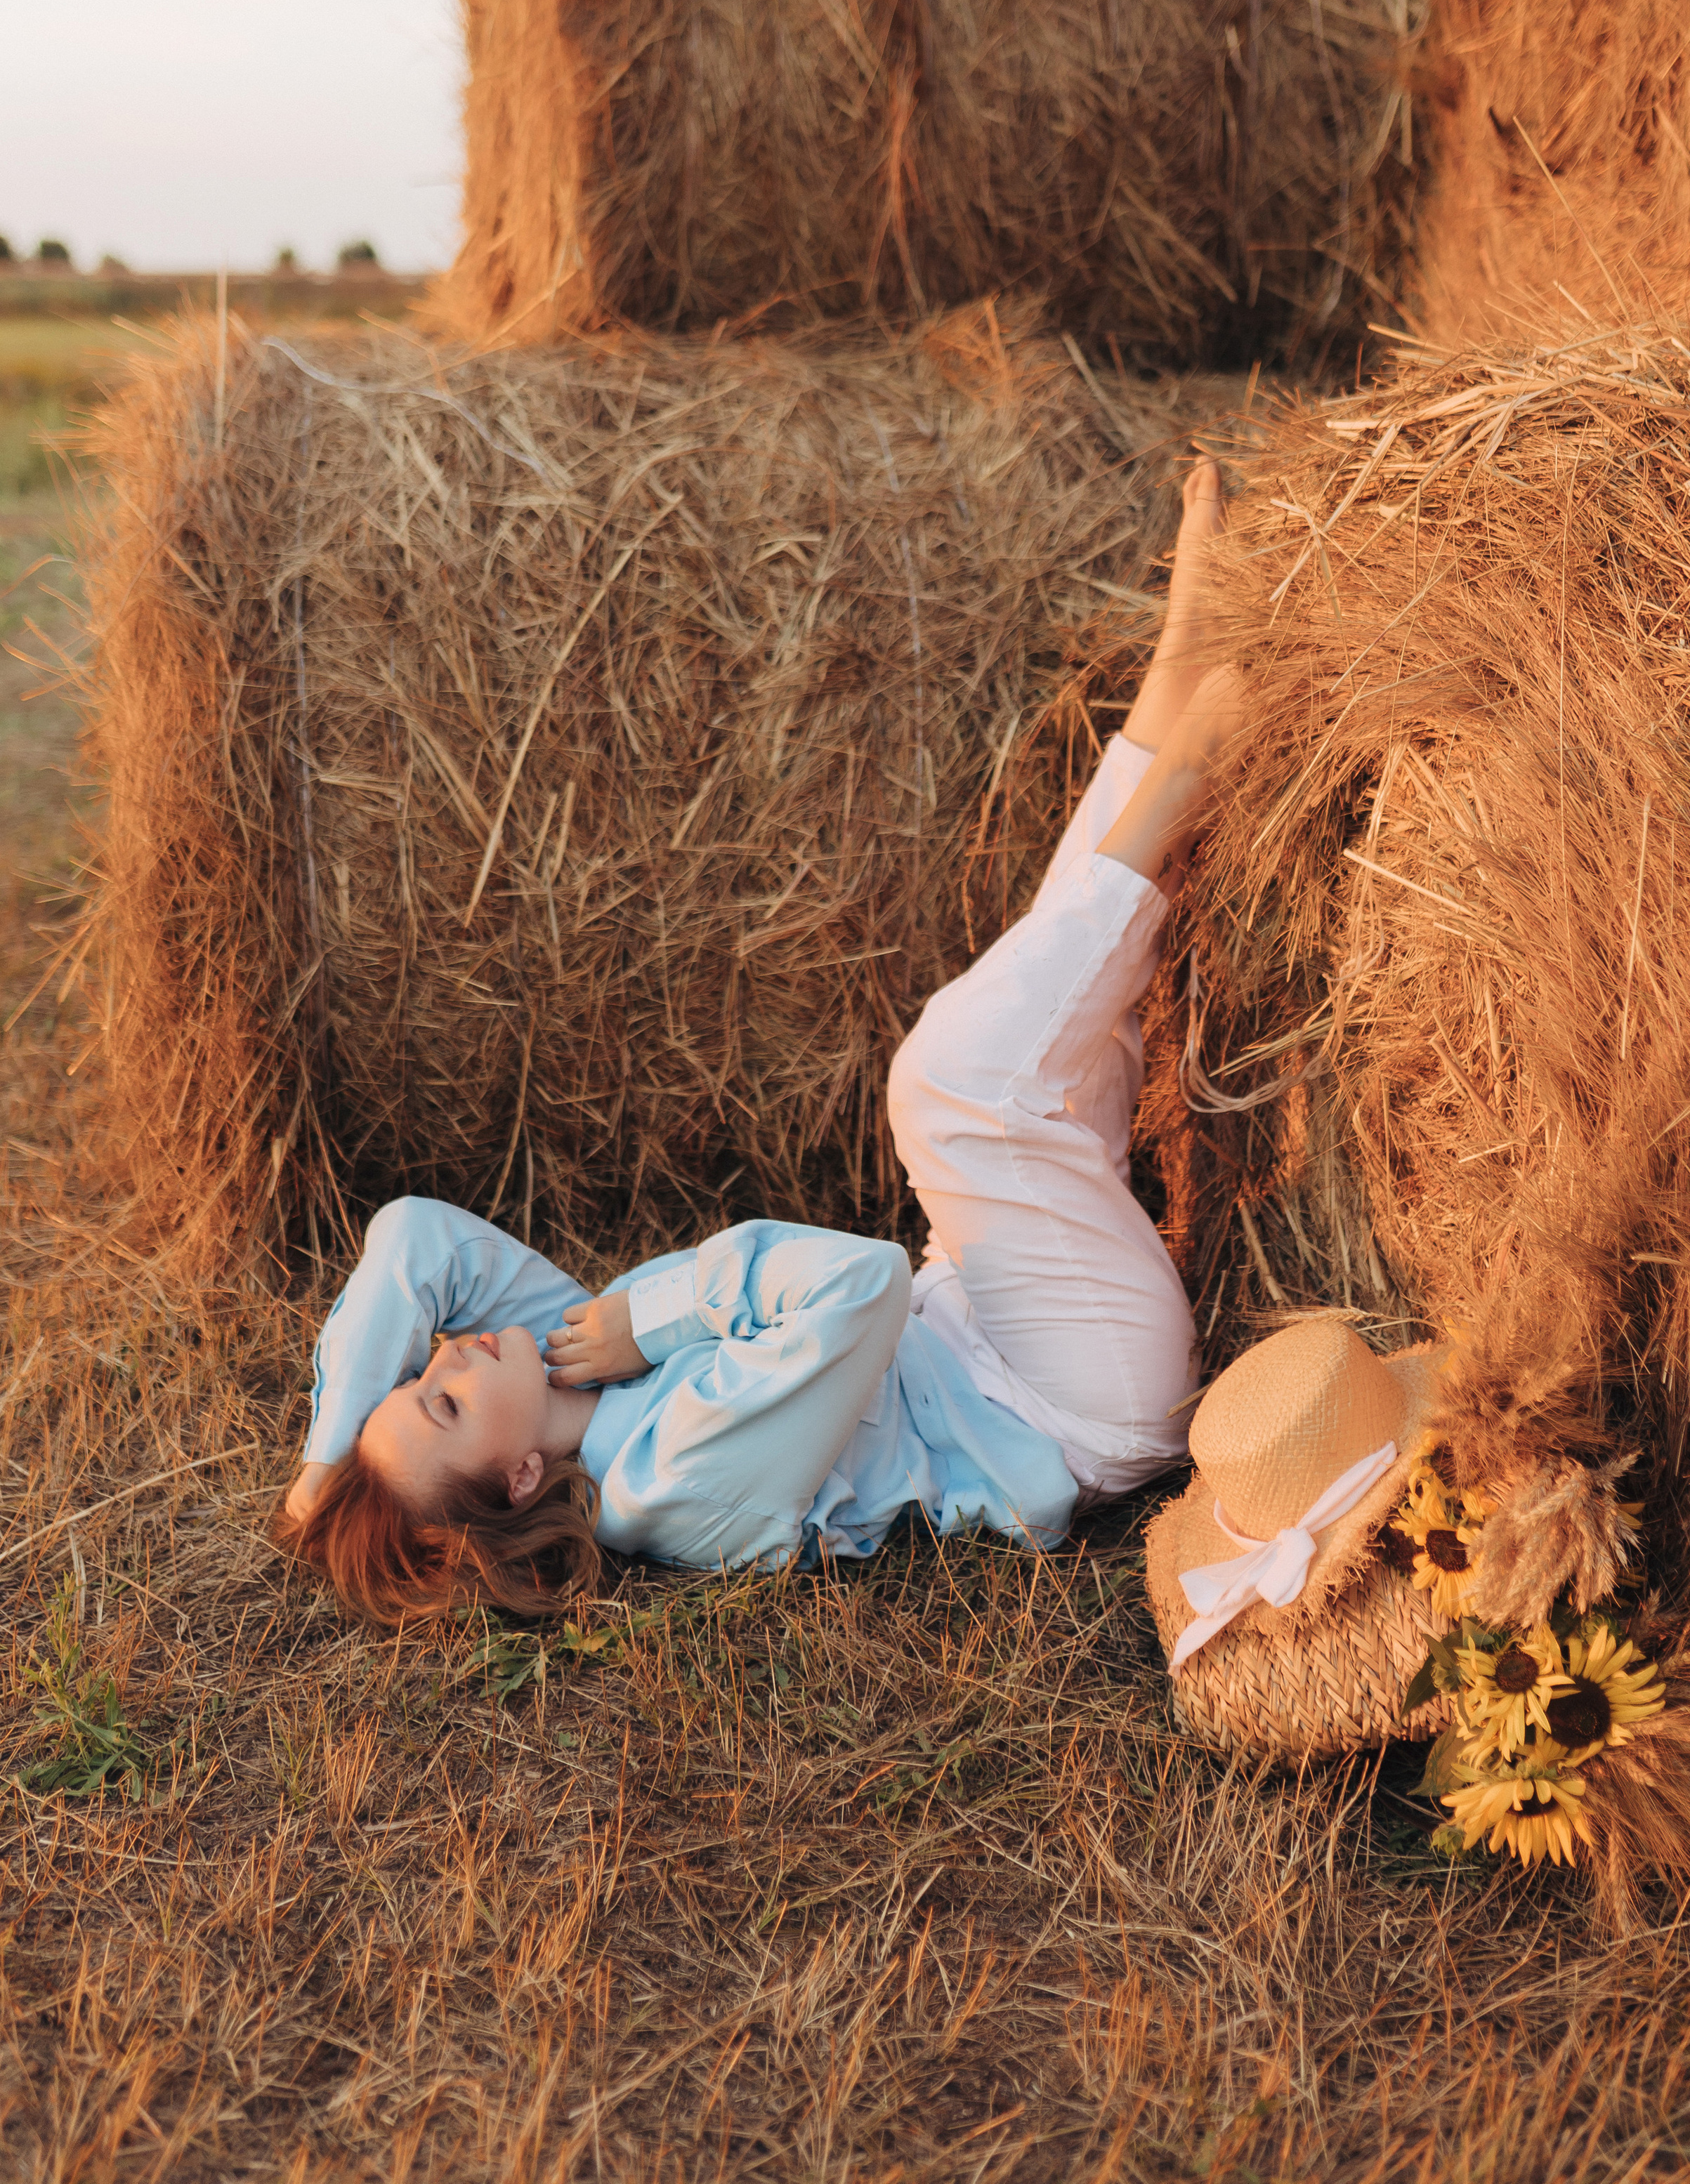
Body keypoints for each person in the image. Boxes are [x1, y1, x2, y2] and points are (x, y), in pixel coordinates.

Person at [279, 461, 1244, 1623]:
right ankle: (1197, 761)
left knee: (1035, 1011)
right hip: (1073, 1397)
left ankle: (1182, 678)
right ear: (523, 1478)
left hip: (983, 1320)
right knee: (950, 1085)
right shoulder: (669, 1487)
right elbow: (859, 1285)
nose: (445, 1356)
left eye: (413, 1370)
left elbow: (411, 1241)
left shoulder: (562, 1363)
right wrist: (660, 1314)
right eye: (439, 1402)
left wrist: (325, 1461)